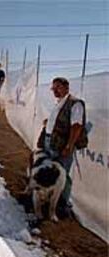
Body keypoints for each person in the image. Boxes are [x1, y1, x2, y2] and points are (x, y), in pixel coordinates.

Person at [36, 77, 87, 217]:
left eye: (58, 87)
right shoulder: (60, 103)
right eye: (53, 88)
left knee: (62, 175)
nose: (55, 91)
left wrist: (69, 146)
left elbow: (76, 126)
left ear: (66, 87)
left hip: (61, 145)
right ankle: (49, 200)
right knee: (51, 171)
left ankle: (62, 205)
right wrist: (49, 123)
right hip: (51, 142)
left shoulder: (75, 104)